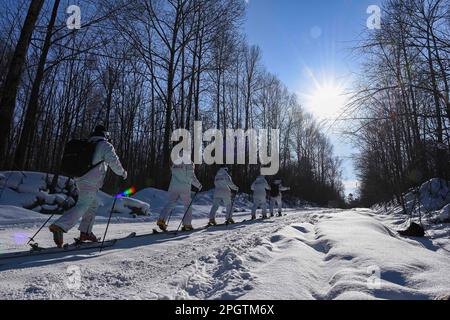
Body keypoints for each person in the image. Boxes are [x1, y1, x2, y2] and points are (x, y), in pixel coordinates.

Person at [49, 125, 127, 248]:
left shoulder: (88, 144)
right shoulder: (105, 145)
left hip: (80, 179)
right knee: (84, 205)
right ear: (106, 135)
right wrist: (122, 173)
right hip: (91, 181)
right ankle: (60, 226)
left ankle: (86, 232)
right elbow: (114, 162)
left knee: (92, 204)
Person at [157, 162, 202, 232]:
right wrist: (198, 185)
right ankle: (187, 224)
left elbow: (173, 173)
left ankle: (161, 220)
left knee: (171, 203)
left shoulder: (175, 162)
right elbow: (191, 176)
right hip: (184, 187)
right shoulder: (189, 163)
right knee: (187, 205)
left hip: (174, 187)